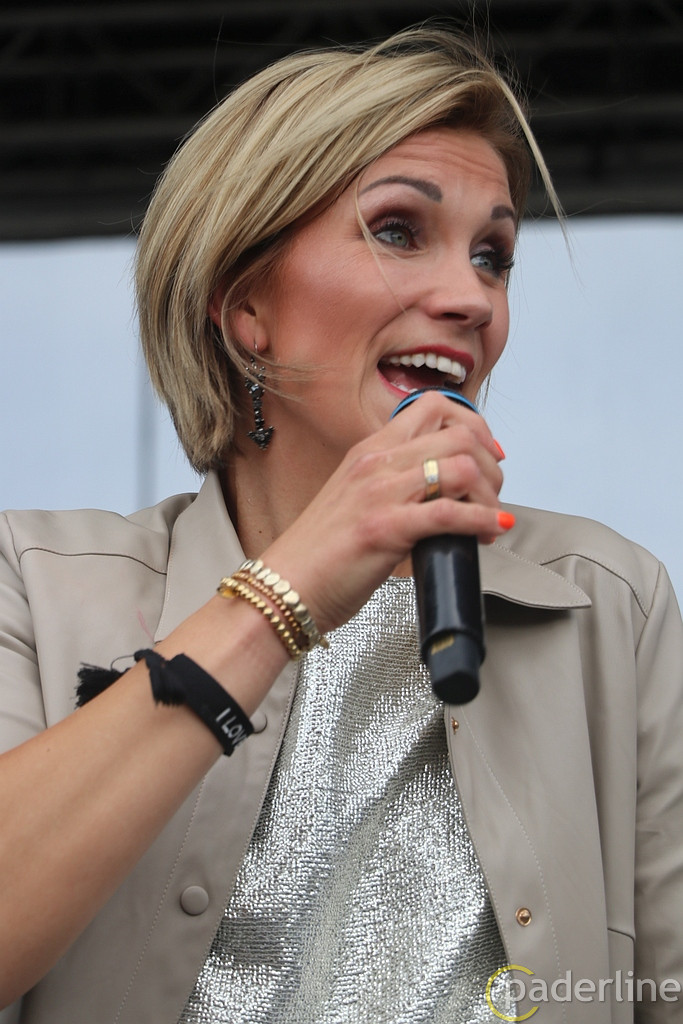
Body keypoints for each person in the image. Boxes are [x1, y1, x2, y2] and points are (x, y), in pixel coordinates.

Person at [0, 25, 681, 1024]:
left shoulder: (610, 601)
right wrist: (290, 587)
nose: (470, 298)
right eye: (399, 231)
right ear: (245, 308)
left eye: (492, 256)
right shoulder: (37, 581)